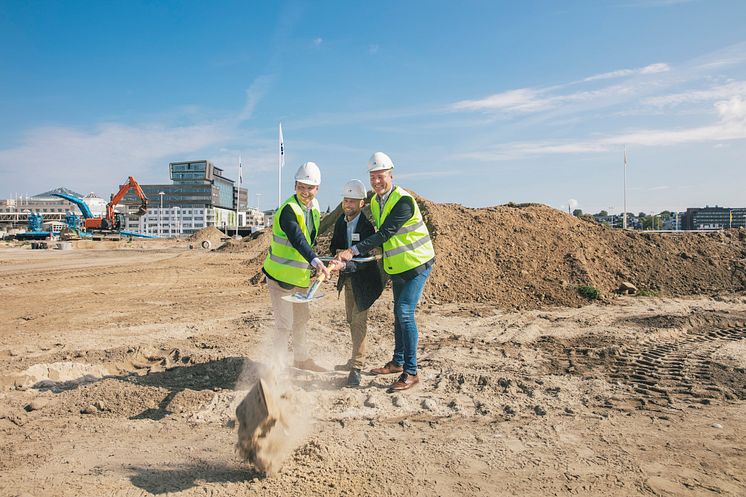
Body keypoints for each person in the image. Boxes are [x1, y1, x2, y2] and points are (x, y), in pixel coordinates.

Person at [335, 152, 435, 392]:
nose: (377, 181)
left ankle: (411, 372)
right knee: (398, 312)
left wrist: (353, 250)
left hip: (417, 264)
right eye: (373, 177)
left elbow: (385, 233)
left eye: (380, 176)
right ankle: (398, 362)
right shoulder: (379, 202)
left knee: (404, 312)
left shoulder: (403, 201)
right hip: (399, 266)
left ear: (390, 175)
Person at [262, 161, 331, 372]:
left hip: (300, 278)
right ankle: (277, 368)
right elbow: (298, 239)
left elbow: (311, 238)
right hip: (280, 278)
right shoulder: (288, 210)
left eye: (309, 188)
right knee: (284, 325)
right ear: (294, 186)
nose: (305, 191)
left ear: (317, 189)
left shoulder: (315, 208)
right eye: (301, 186)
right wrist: (316, 261)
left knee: (301, 320)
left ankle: (301, 359)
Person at [328, 180, 384, 387]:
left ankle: (356, 368)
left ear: (362, 204)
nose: (348, 204)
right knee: (351, 320)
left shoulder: (367, 228)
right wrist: (337, 256)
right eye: (346, 200)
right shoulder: (341, 222)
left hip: (365, 281)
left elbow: (364, 261)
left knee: (359, 322)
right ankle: (354, 359)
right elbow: (335, 245)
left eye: (353, 200)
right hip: (348, 280)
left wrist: (345, 263)